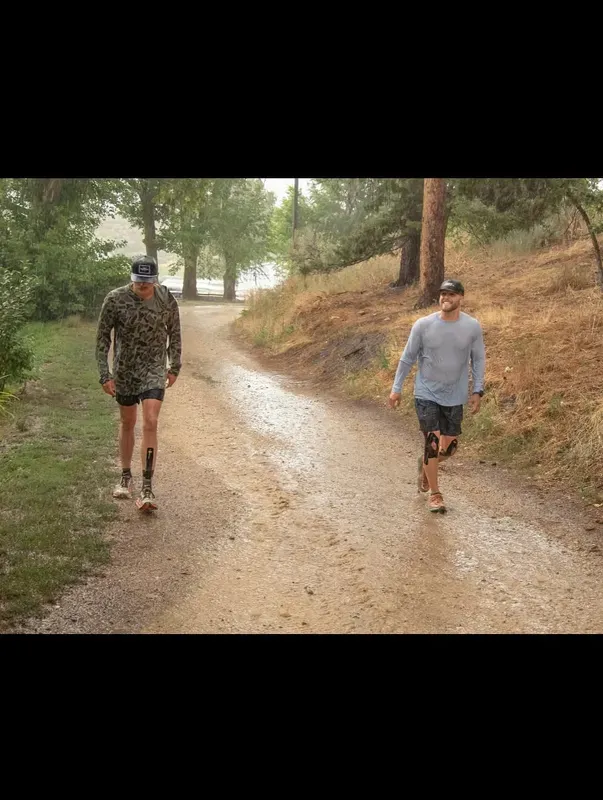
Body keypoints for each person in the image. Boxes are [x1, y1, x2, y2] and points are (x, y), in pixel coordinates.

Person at [388, 279, 485, 513]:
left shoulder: (472, 327)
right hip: (426, 392)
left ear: (461, 297)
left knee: (449, 449)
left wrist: (477, 390)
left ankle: (425, 466)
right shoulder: (423, 325)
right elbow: (407, 357)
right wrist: (396, 387)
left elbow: (478, 359)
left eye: (451, 294)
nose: (445, 298)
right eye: (442, 294)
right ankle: (435, 494)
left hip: (455, 394)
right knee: (432, 442)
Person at [95, 255, 182, 512]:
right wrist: (105, 374)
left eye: (147, 282)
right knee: (128, 422)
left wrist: (174, 365)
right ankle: (125, 477)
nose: (143, 287)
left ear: (155, 280)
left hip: (154, 368)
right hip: (125, 369)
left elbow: (175, 334)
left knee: (151, 421)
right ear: (132, 279)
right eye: (138, 282)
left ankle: (147, 487)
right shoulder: (115, 299)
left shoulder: (166, 299)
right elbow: (102, 340)